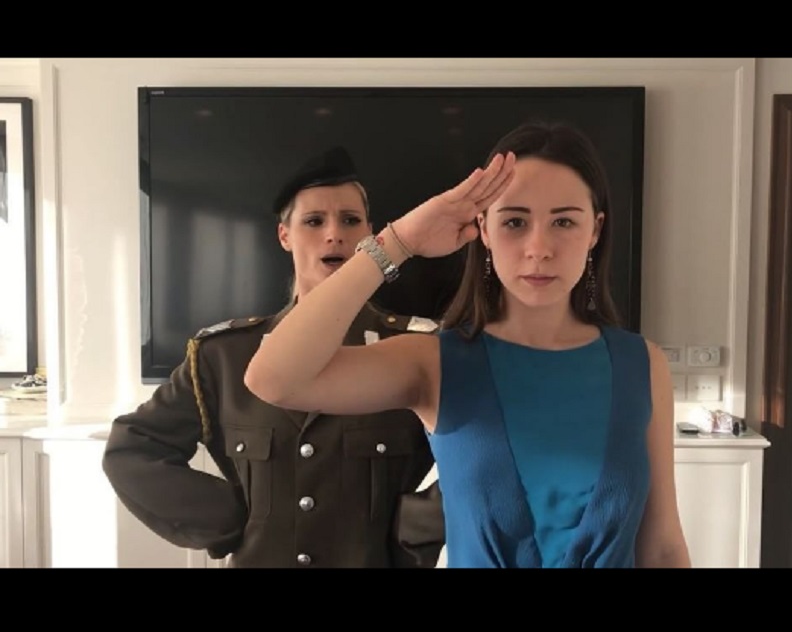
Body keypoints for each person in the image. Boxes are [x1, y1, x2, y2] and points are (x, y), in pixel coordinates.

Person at [244, 121, 692, 569]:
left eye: (563, 221)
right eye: (515, 221)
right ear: (484, 229)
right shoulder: (436, 363)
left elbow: (664, 547)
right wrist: (401, 241)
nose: (539, 248)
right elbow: (273, 379)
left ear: (595, 230)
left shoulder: (641, 365)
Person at [102, 146, 445, 568]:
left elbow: (486, 457)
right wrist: (232, 521)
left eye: (350, 220)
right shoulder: (224, 357)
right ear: (284, 235)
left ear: (371, 235)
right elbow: (132, 449)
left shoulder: (415, 352)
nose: (334, 234)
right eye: (314, 221)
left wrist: (412, 530)